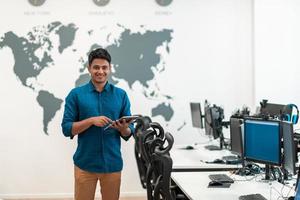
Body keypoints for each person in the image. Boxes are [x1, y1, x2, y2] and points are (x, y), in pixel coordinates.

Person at [61, 48, 134, 200]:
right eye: (96, 67)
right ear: (89, 68)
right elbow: (67, 128)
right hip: (85, 165)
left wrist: (124, 129)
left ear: (110, 68)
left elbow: (129, 132)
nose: (100, 71)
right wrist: (90, 121)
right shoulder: (75, 95)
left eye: (104, 67)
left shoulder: (121, 95)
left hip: (112, 165)